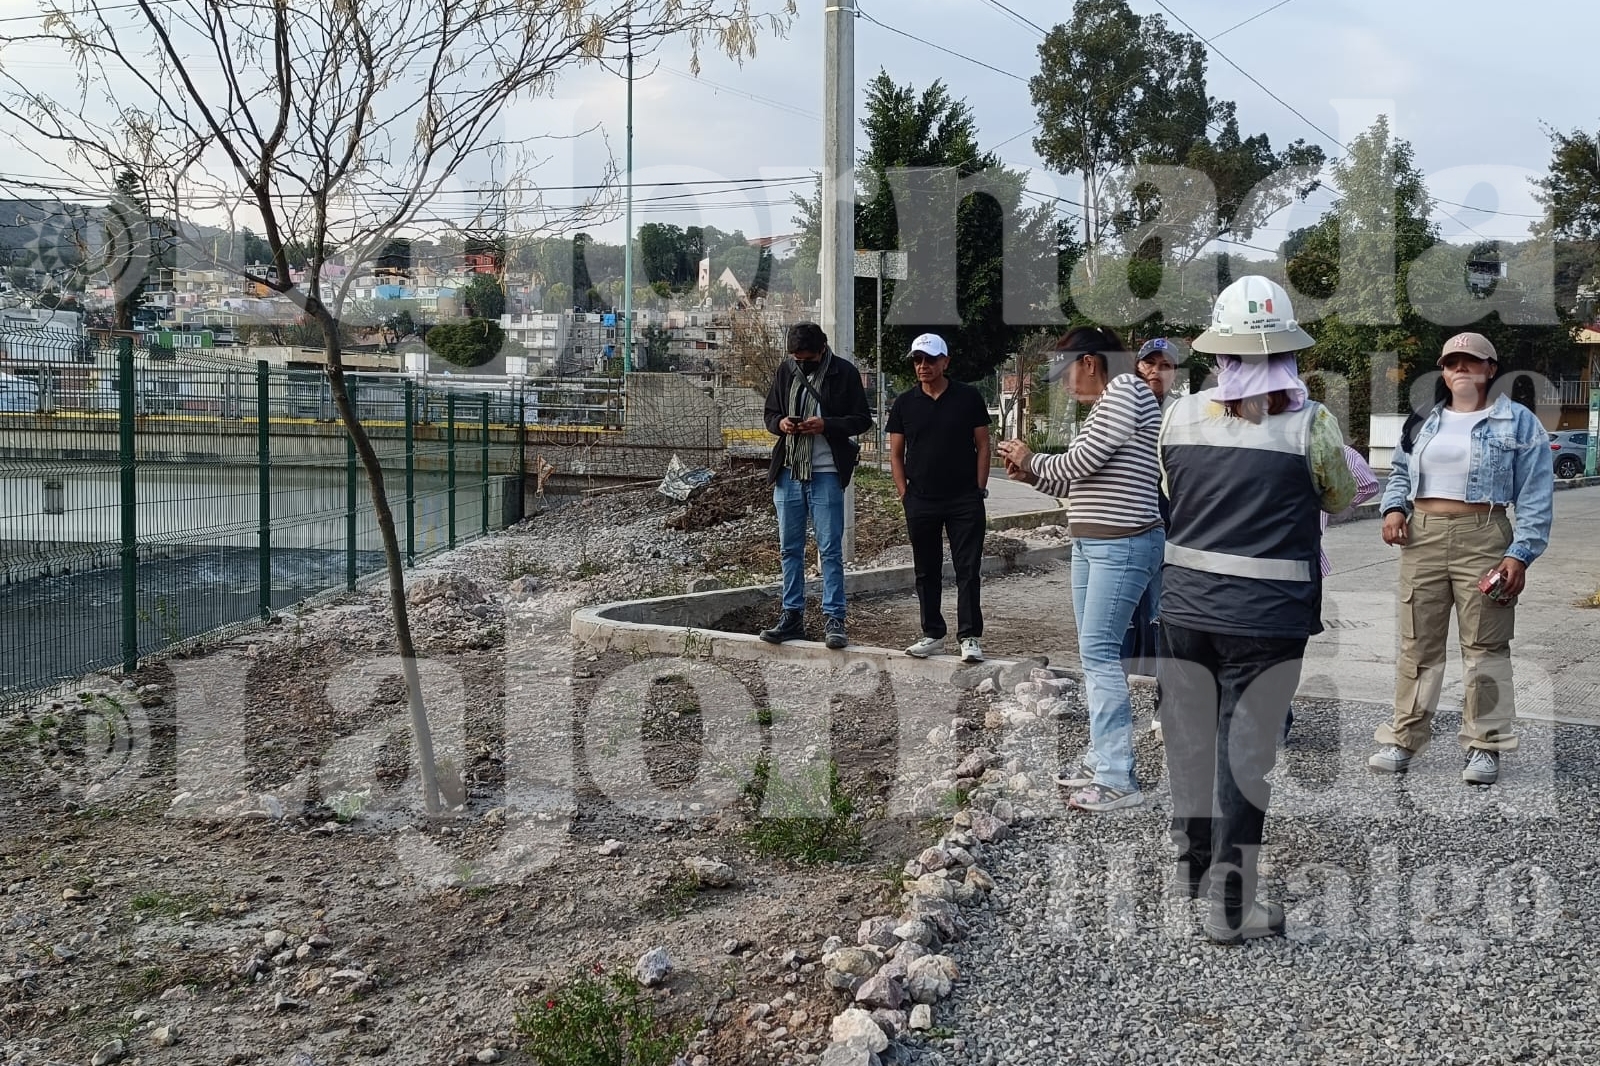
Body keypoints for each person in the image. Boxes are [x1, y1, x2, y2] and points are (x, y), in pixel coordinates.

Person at [1157, 275, 1356, 943]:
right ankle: (1230, 903)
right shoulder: (1312, 424)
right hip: (1266, 618)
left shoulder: (1179, 416)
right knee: (1244, 754)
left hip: (1184, 608)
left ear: (1221, 352)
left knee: (1190, 736)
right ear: (1286, 352)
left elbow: (1172, 490)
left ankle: (1192, 867)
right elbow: (1338, 499)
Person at [1368, 332, 1553, 785]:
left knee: (1486, 647)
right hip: (1423, 536)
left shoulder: (1519, 423)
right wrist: (1394, 509)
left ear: (1492, 369)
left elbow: (1535, 494)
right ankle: (1404, 738)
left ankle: (1484, 746)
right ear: (1444, 371)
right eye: (1452, 363)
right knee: (1418, 645)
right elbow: (1399, 473)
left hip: (1484, 535)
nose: (1461, 369)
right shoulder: (1423, 419)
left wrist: (1520, 554)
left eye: (1471, 361)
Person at [997, 326, 1163, 813]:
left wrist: (1034, 458)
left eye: (1066, 374)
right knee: (1095, 655)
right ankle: (1101, 758)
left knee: (1100, 654)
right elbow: (1080, 485)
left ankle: (1117, 776)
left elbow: (1081, 461)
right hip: (1095, 542)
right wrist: (1032, 476)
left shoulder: (1126, 390)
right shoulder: (1110, 403)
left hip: (1122, 543)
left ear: (1090, 362)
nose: (1065, 386)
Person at [758, 322, 873, 650]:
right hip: (789, 471)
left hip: (826, 472)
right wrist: (781, 424)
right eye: (797, 358)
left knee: (830, 549)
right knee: (789, 549)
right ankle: (791, 616)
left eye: (807, 359)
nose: (802, 364)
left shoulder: (844, 373)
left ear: (822, 350)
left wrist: (826, 425)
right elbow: (770, 413)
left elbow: (862, 419)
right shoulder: (785, 371)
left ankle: (834, 619)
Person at [886, 333, 992, 663]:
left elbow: (983, 444)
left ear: (945, 361)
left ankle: (969, 636)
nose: (923, 366)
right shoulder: (904, 403)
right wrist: (905, 494)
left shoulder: (968, 397)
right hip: (921, 500)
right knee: (926, 570)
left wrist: (979, 488)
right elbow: (896, 453)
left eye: (930, 359)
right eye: (918, 360)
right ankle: (932, 633)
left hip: (964, 499)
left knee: (968, 569)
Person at [1280, 443, 1380, 742]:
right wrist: (1334, 507)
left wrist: (1332, 509)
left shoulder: (1315, 441)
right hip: (1302, 557)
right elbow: (1366, 483)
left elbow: (1366, 482)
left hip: (1290, 558)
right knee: (1285, 643)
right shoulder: (1317, 439)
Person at [1125, 339, 1179, 695]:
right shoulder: (1120, 407)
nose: (1155, 371)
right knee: (1125, 603)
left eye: (1165, 366)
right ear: (1138, 367)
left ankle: (1164, 685)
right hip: (1127, 519)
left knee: (1161, 605)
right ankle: (1123, 677)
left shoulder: (1182, 415)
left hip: (1169, 519)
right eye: (1149, 364)